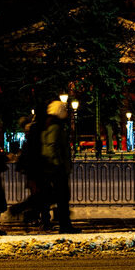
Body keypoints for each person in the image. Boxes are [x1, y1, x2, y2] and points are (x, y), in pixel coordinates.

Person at [41, 100, 79, 233]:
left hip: (56, 168)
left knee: (61, 198)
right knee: (62, 198)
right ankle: (65, 225)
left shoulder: (53, 125)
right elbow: (51, 147)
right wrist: (59, 164)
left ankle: (65, 224)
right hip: (57, 169)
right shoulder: (55, 127)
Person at [10, 115, 51, 228]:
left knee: (39, 195)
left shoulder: (30, 137)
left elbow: (26, 154)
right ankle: (40, 218)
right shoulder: (37, 135)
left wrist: (21, 165)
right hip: (38, 170)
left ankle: (35, 216)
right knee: (42, 196)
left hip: (33, 171)